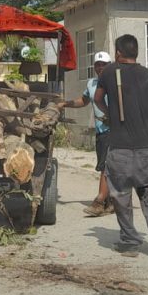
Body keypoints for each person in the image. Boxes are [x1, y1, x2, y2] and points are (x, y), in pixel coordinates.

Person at [93, 34, 148, 254]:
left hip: (120, 146)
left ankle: (130, 241)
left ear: (118, 53)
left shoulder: (108, 73)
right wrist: (146, 117)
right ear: (136, 52)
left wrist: (111, 115)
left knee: (120, 193)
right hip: (146, 145)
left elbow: (98, 99)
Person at [57, 52, 115, 217]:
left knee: (105, 166)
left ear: (110, 65)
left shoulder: (115, 84)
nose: (100, 67)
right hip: (100, 131)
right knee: (106, 166)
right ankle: (111, 202)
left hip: (114, 130)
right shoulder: (92, 84)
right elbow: (83, 101)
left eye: (104, 64)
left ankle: (99, 201)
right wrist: (65, 104)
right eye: (98, 64)